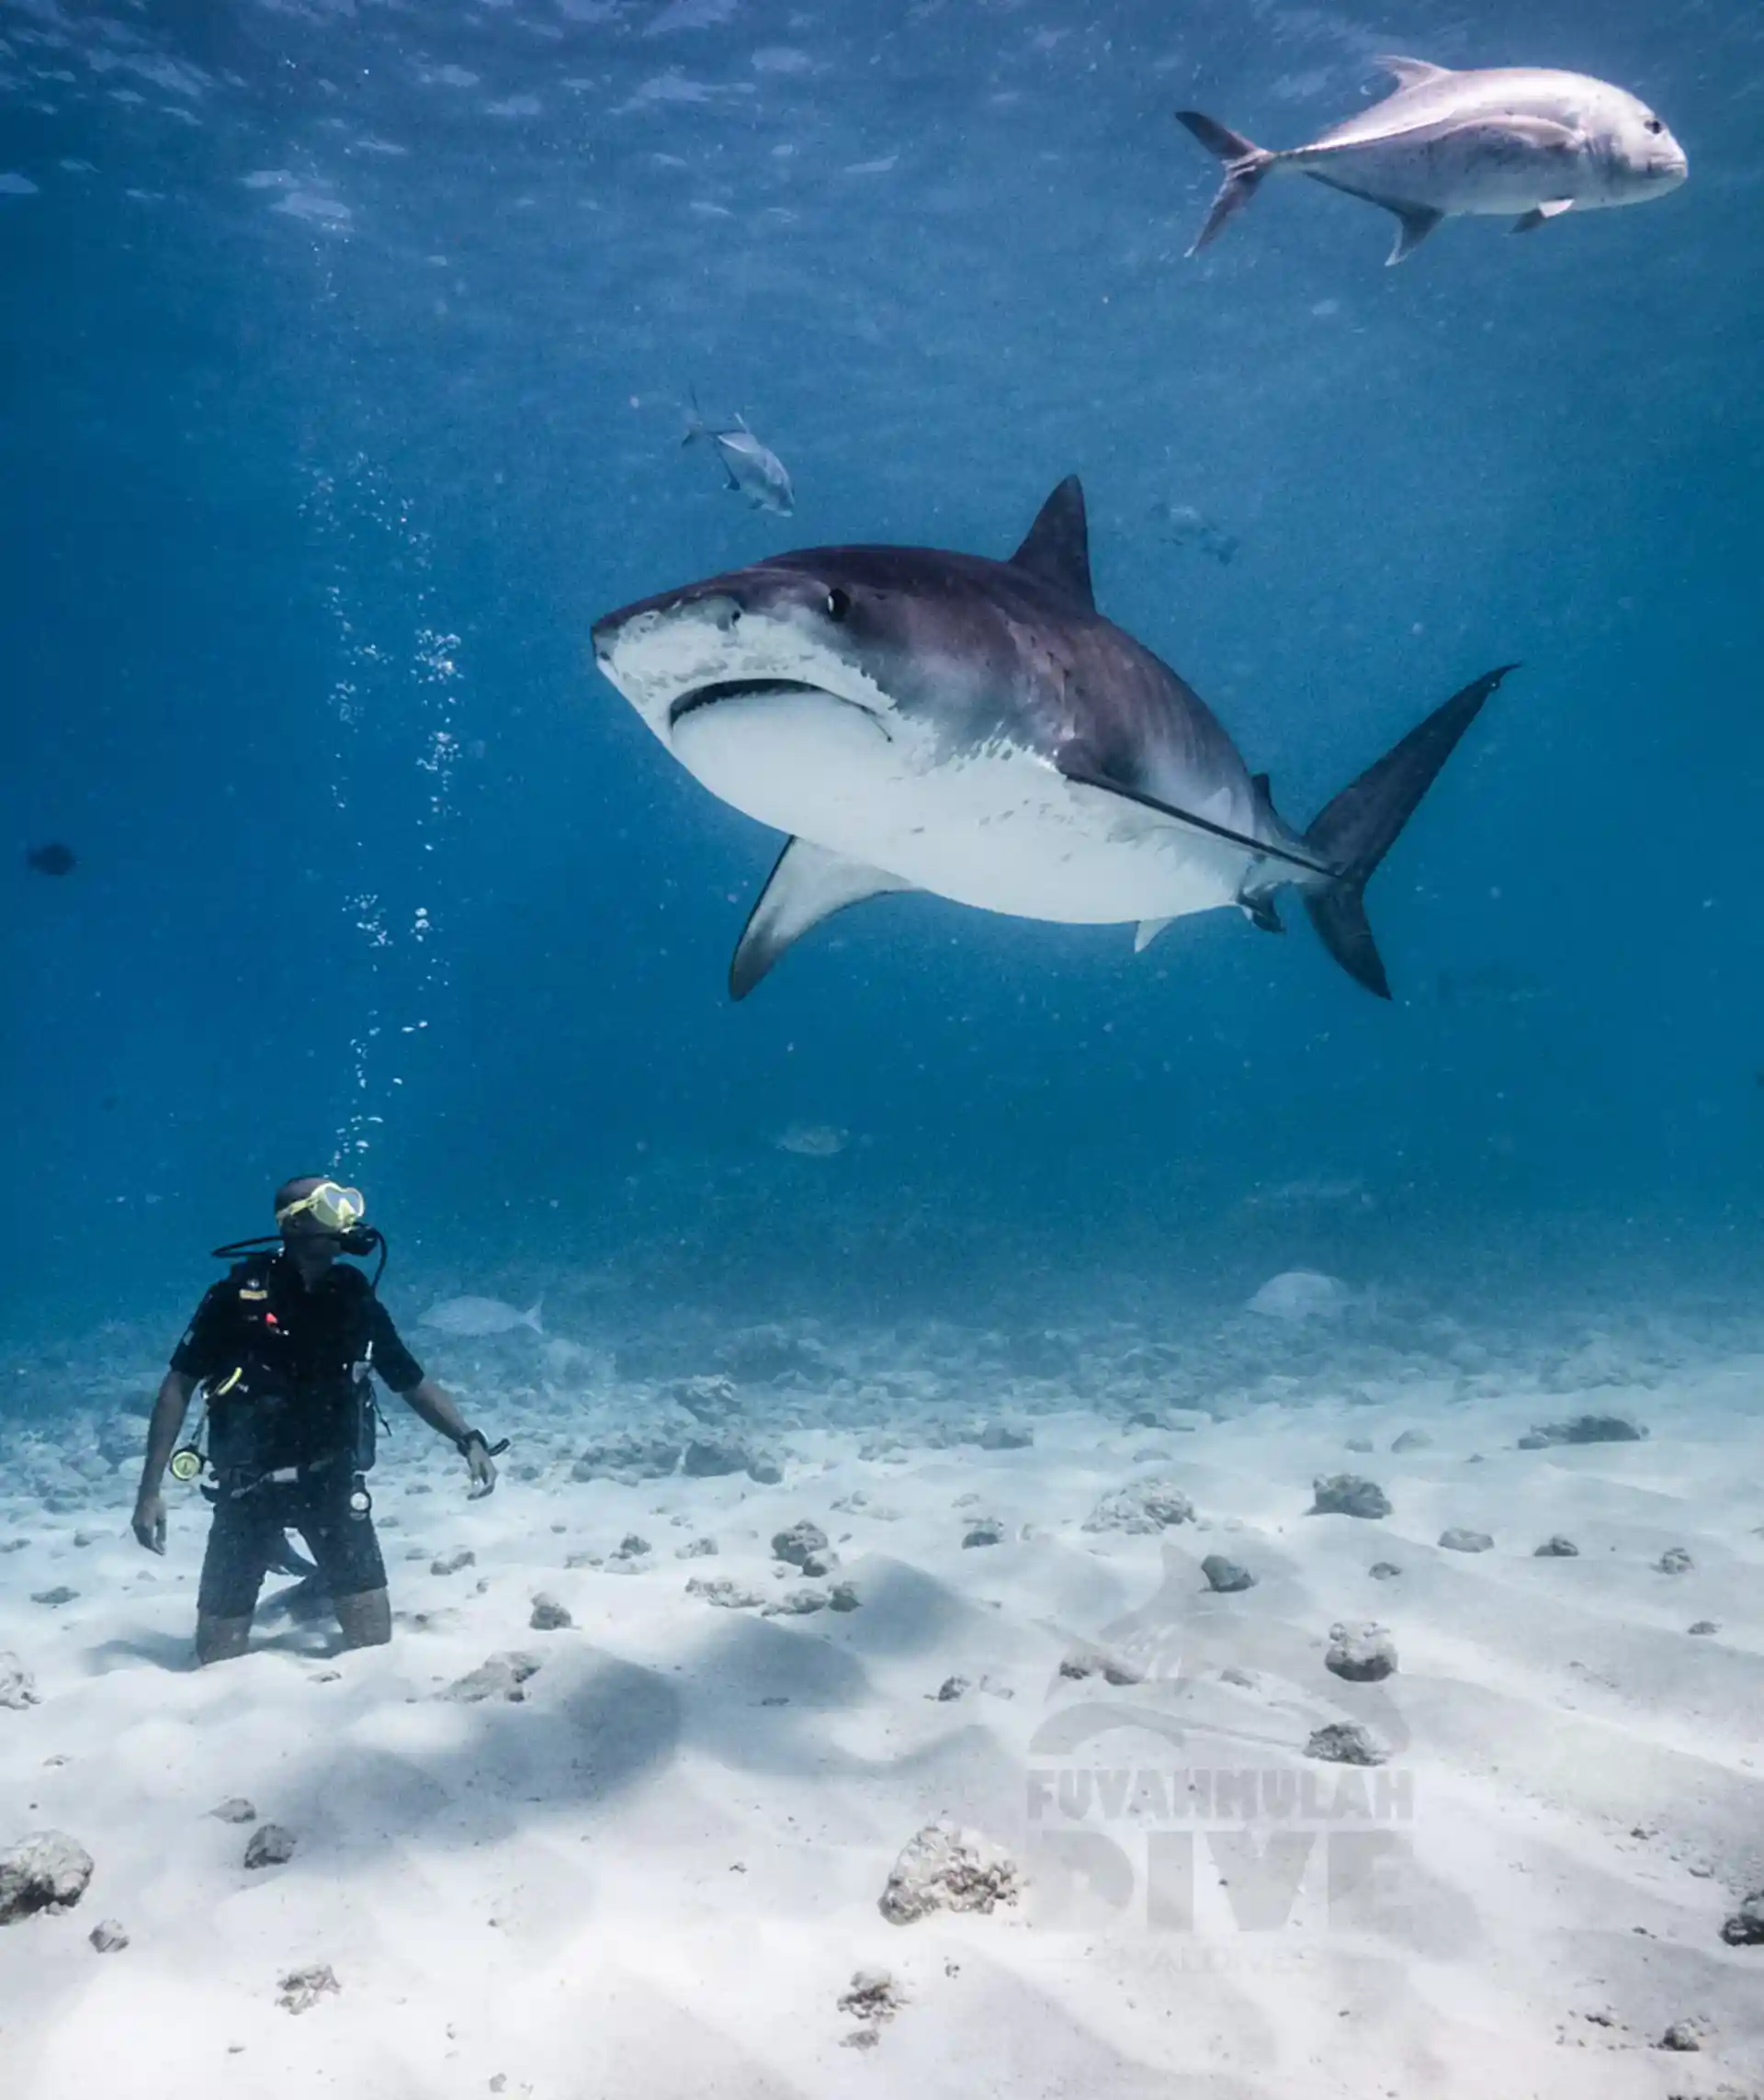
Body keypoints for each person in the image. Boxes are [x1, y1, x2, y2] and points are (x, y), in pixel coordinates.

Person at [131, 1175, 501, 1665]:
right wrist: (150, 1490)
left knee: (372, 1644)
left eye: (349, 1203)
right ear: (296, 1224)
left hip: (332, 1485)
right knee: (217, 1655)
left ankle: (316, 1586)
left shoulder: (354, 1296)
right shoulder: (235, 1298)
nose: (348, 1218)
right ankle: (295, 1573)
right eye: (332, 1207)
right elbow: (178, 1385)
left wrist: (467, 1438)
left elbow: (409, 1379)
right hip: (245, 1493)